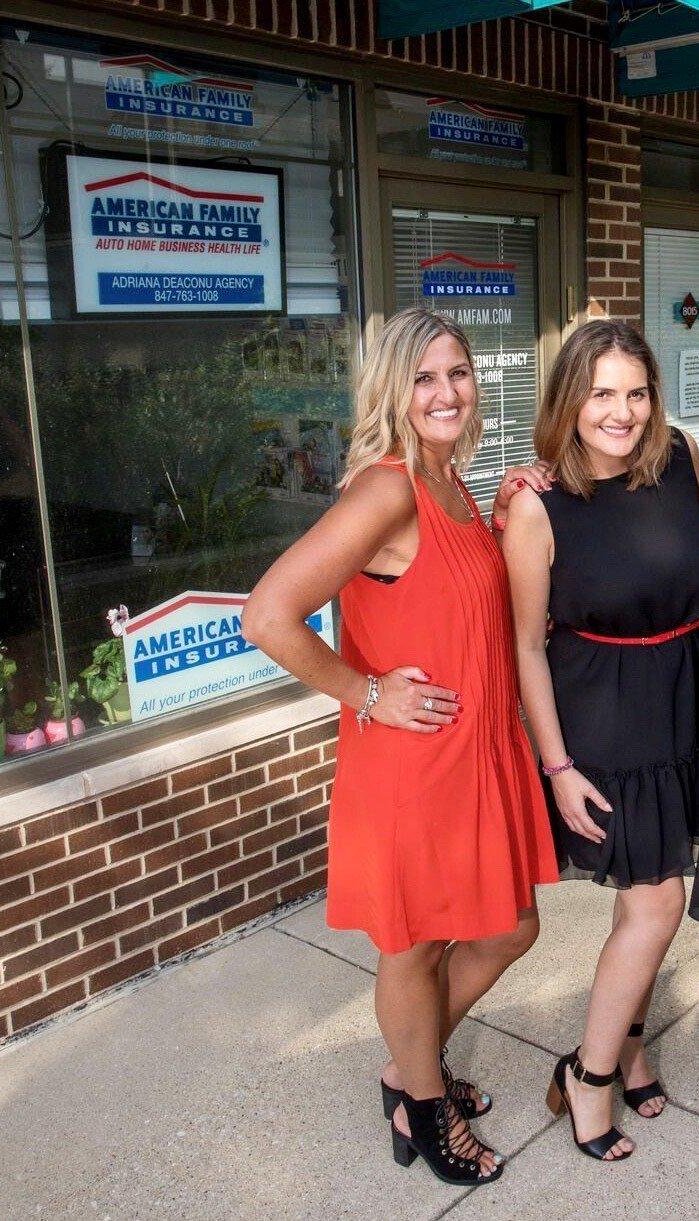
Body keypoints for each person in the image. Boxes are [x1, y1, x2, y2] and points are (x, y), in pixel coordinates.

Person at [242, 308, 559, 1186]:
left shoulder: (452, 482)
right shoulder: (385, 487)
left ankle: (404, 1067)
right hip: (415, 768)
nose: (445, 391)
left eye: (456, 372)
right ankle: (422, 1105)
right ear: (392, 391)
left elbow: (451, 597)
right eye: (423, 378)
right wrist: (368, 692)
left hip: (476, 758)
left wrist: (501, 518)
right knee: (414, 946)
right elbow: (267, 615)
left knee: (507, 927)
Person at [503, 320, 698, 1164]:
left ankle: (627, 1044)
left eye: (634, 391)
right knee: (659, 901)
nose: (619, 411)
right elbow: (523, 646)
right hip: (604, 716)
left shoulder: (683, 458)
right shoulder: (535, 505)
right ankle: (585, 1074)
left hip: (684, 696)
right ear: (568, 402)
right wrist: (556, 766)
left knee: (643, 902)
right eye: (599, 393)